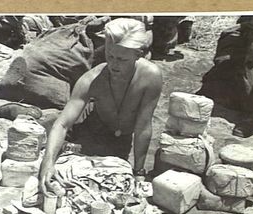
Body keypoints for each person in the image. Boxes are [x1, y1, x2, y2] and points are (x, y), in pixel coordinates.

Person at [39, 18, 162, 193]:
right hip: (92, 127)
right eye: (110, 56)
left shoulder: (151, 77)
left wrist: (139, 172)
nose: (114, 64)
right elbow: (63, 124)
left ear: (138, 55)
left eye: (121, 59)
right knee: (50, 129)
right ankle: (36, 115)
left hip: (120, 139)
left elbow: (143, 125)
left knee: (113, 177)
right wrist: (48, 163)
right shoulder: (92, 79)